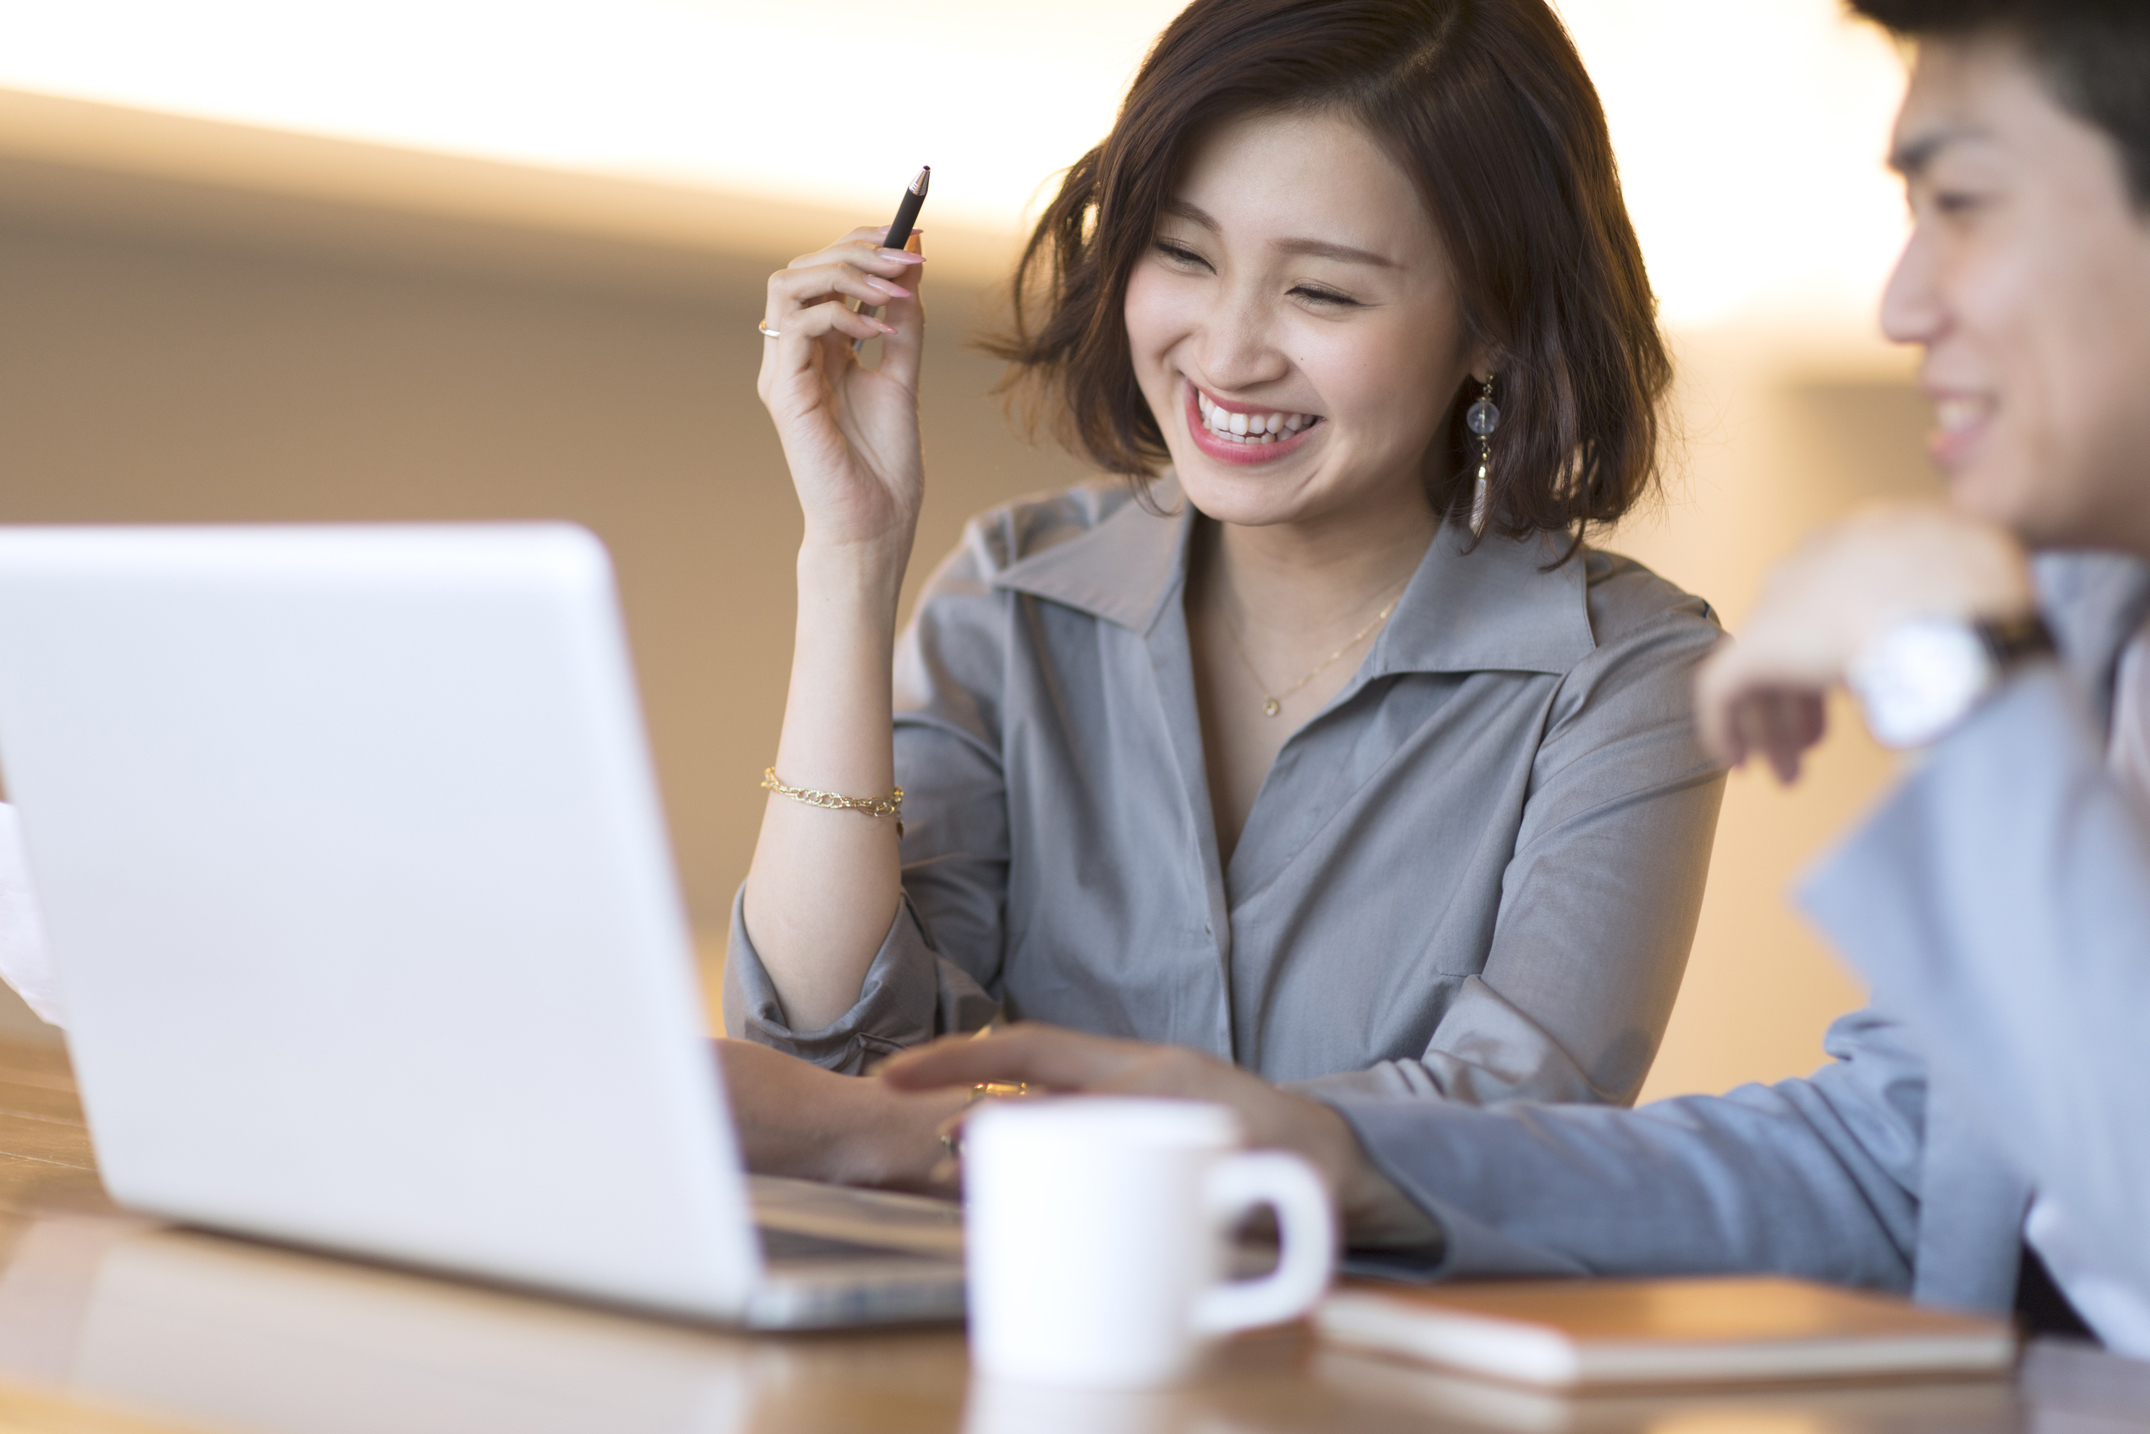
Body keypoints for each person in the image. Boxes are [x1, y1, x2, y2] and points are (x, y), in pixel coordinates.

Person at [880, 0, 2150, 1352]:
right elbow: (1898, 1159)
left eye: (1961, 201)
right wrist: (1320, 1144)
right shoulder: (2087, 620)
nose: (1900, 302)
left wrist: (1961, 683)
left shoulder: (1935, 662)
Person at [725, 0, 1726, 1186]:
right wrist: (850, 555)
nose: (1227, 350)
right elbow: (834, 1057)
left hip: (1371, 1368)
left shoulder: (1628, 678)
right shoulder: (1012, 598)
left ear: (1492, 327)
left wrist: (925, 1138)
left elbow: (1498, 1135)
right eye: (1184, 255)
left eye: (1324, 294)